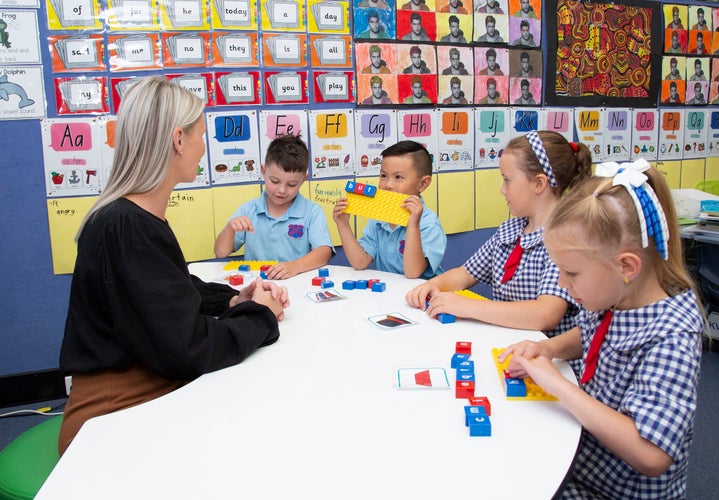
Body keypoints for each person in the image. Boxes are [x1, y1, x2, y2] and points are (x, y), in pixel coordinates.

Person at [58, 76, 289, 454]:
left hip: (140, 387)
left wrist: (232, 302)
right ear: (178, 140)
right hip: (114, 414)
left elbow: (169, 288)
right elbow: (188, 348)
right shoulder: (126, 226)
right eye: (200, 135)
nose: (204, 148)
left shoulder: (129, 218)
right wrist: (259, 315)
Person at [498, 160, 703, 499]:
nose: (563, 284)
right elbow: (593, 336)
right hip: (579, 460)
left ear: (626, 266)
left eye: (572, 274)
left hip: (615, 491)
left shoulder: (673, 334)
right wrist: (550, 348)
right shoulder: (613, 296)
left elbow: (651, 455)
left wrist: (557, 384)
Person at [406, 131, 592, 335]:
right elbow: (465, 273)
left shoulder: (564, 239)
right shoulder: (510, 230)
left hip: (548, 355)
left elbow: (545, 314)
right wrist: (434, 285)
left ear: (539, 183)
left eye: (507, 180)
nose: (502, 190)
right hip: (507, 342)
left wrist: (466, 306)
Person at [215, 134, 334, 278]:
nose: (282, 190)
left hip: (296, 283)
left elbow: (324, 252)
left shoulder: (312, 212)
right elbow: (220, 252)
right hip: (256, 286)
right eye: (275, 181)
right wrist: (229, 228)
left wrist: (294, 266)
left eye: (292, 184)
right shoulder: (248, 210)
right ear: (263, 172)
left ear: (304, 180)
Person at [333, 140, 446, 279]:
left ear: (423, 184)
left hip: (422, 295)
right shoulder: (379, 219)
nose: (388, 185)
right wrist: (343, 225)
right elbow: (360, 262)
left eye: (398, 177)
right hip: (390, 294)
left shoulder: (429, 224)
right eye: (383, 176)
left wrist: (413, 225)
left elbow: (412, 273)